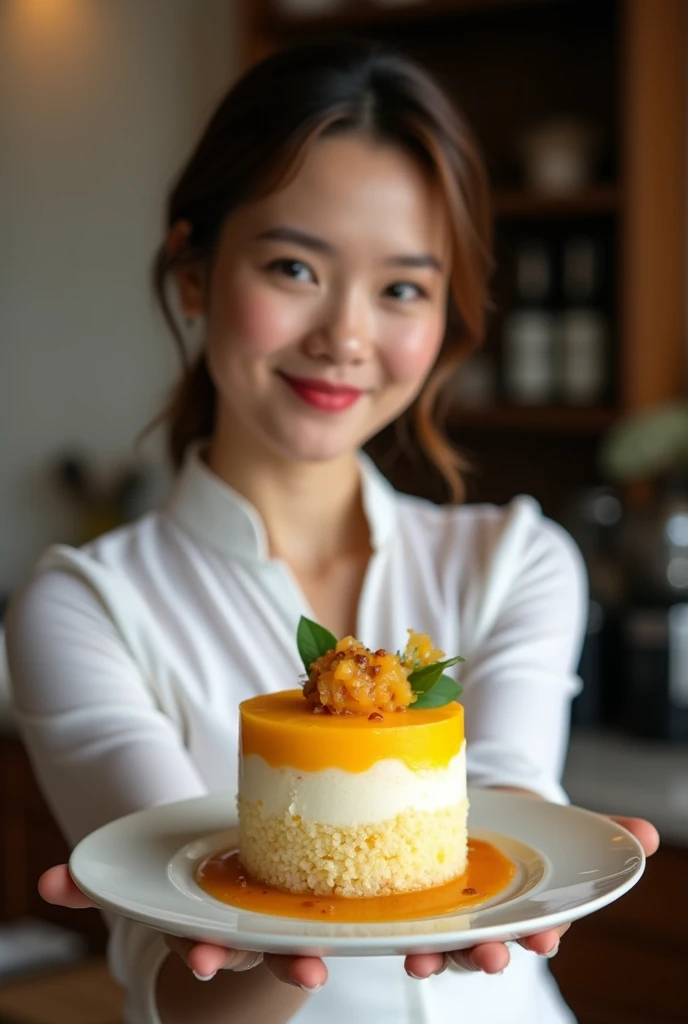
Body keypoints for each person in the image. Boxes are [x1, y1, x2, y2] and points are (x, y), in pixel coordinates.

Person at [3, 39, 658, 1024]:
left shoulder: (515, 562)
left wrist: (533, 879)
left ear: (445, 318)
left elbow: (507, 816)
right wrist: (261, 947)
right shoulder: (85, 606)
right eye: (294, 265)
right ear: (192, 269)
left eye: (401, 287)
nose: (345, 335)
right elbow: (184, 984)